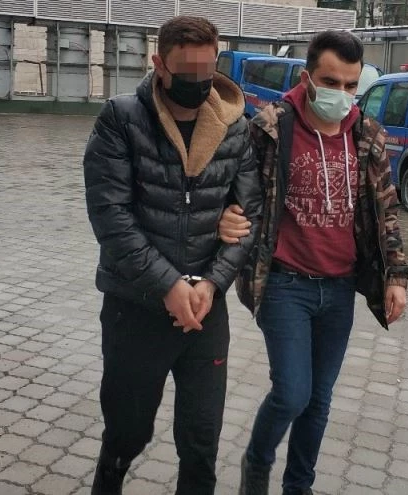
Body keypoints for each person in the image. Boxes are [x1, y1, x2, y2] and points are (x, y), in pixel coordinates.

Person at [217, 31, 408, 495]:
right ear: (307, 78)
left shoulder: (367, 135)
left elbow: (386, 208)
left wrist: (396, 276)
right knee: (292, 393)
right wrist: (225, 216)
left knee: (319, 401)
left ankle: (298, 486)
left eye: (351, 85)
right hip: (284, 283)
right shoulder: (269, 127)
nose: (341, 94)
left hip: (339, 287)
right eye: (331, 82)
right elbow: (232, 188)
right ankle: (257, 462)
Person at [82, 15, 263, 495]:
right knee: (126, 434)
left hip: (205, 310)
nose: (200, 83)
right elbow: (110, 217)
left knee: (201, 443)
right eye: (187, 73)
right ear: (158, 64)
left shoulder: (234, 126)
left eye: (209, 70)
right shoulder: (121, 119)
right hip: (136, 308)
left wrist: (213, 282)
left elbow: (249, 216)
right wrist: (167, 285)